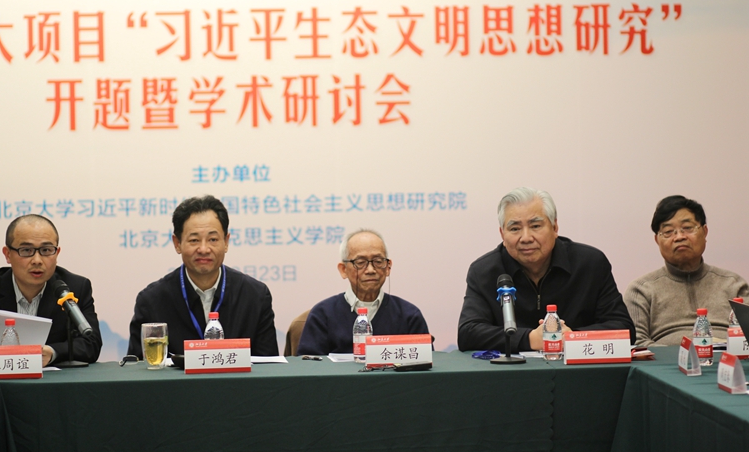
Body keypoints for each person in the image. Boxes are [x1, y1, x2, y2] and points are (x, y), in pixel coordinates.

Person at [457, 187, 635, 352]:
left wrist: (572, 337)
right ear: (502, 234)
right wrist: (529, 339)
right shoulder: (484, 271)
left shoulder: (590, 264)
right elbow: (468, 333)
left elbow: (624, 328)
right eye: (515, 228)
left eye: (535, 226)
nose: (526, 238)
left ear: (555, 227)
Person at [127, 195, 278, 357]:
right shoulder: (151, 301)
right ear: (177, 244)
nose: (204, 249)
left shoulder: (255, 296)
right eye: (194, 240)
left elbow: (268, 366)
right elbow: (138, 367)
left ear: (226, 242)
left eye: (213, 239)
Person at [0, 214, 102, 369]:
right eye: (26, 250)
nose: (37, 260)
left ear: (57, 253)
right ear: (7, 254)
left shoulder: (74, 288)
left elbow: (92, 342)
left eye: (46, 250)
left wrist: (53, 352)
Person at [625, 195, 749, 346]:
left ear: (704, 232)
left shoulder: (734, 284)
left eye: (688, 228)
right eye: (668, 231)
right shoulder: (641, 290)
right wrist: (682, 354)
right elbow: (637, 343)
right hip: (665, 361)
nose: (679, 237)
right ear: (657, 240)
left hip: (729, 358)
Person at [297, 229, 430, 355]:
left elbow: (425, 365)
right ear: (343, 270)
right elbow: (309, 367)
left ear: (388, 267)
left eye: (378, 261)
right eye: (360, 262)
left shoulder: (409, 316)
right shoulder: (322, 315)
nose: (370, 270)